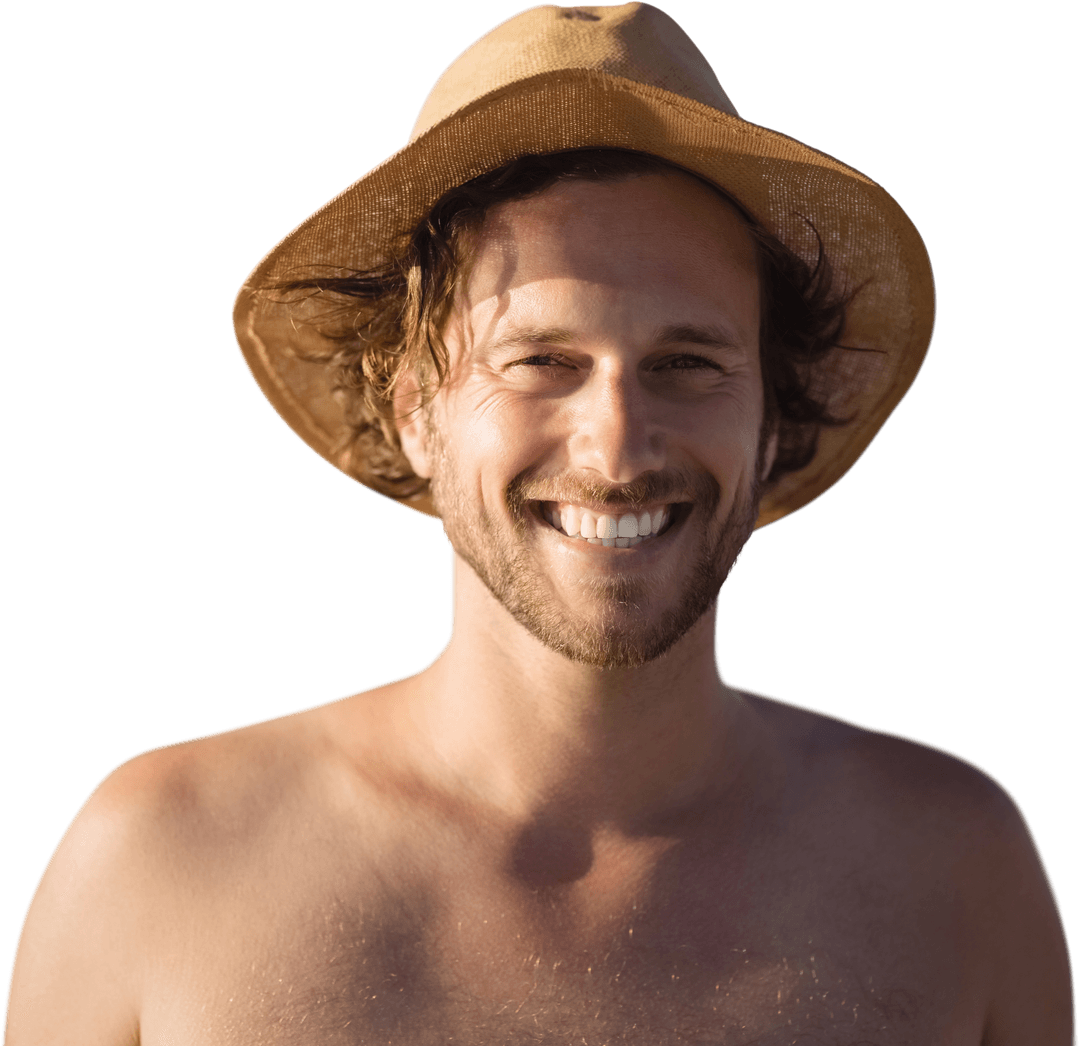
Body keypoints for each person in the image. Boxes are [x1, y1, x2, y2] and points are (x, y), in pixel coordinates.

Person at [5, 4, 1073, 1043]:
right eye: (542, 361)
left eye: (686, 362)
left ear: (773, 416)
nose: (617, 451)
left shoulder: (956, 872)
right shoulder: (158, 866)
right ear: (413, 410)